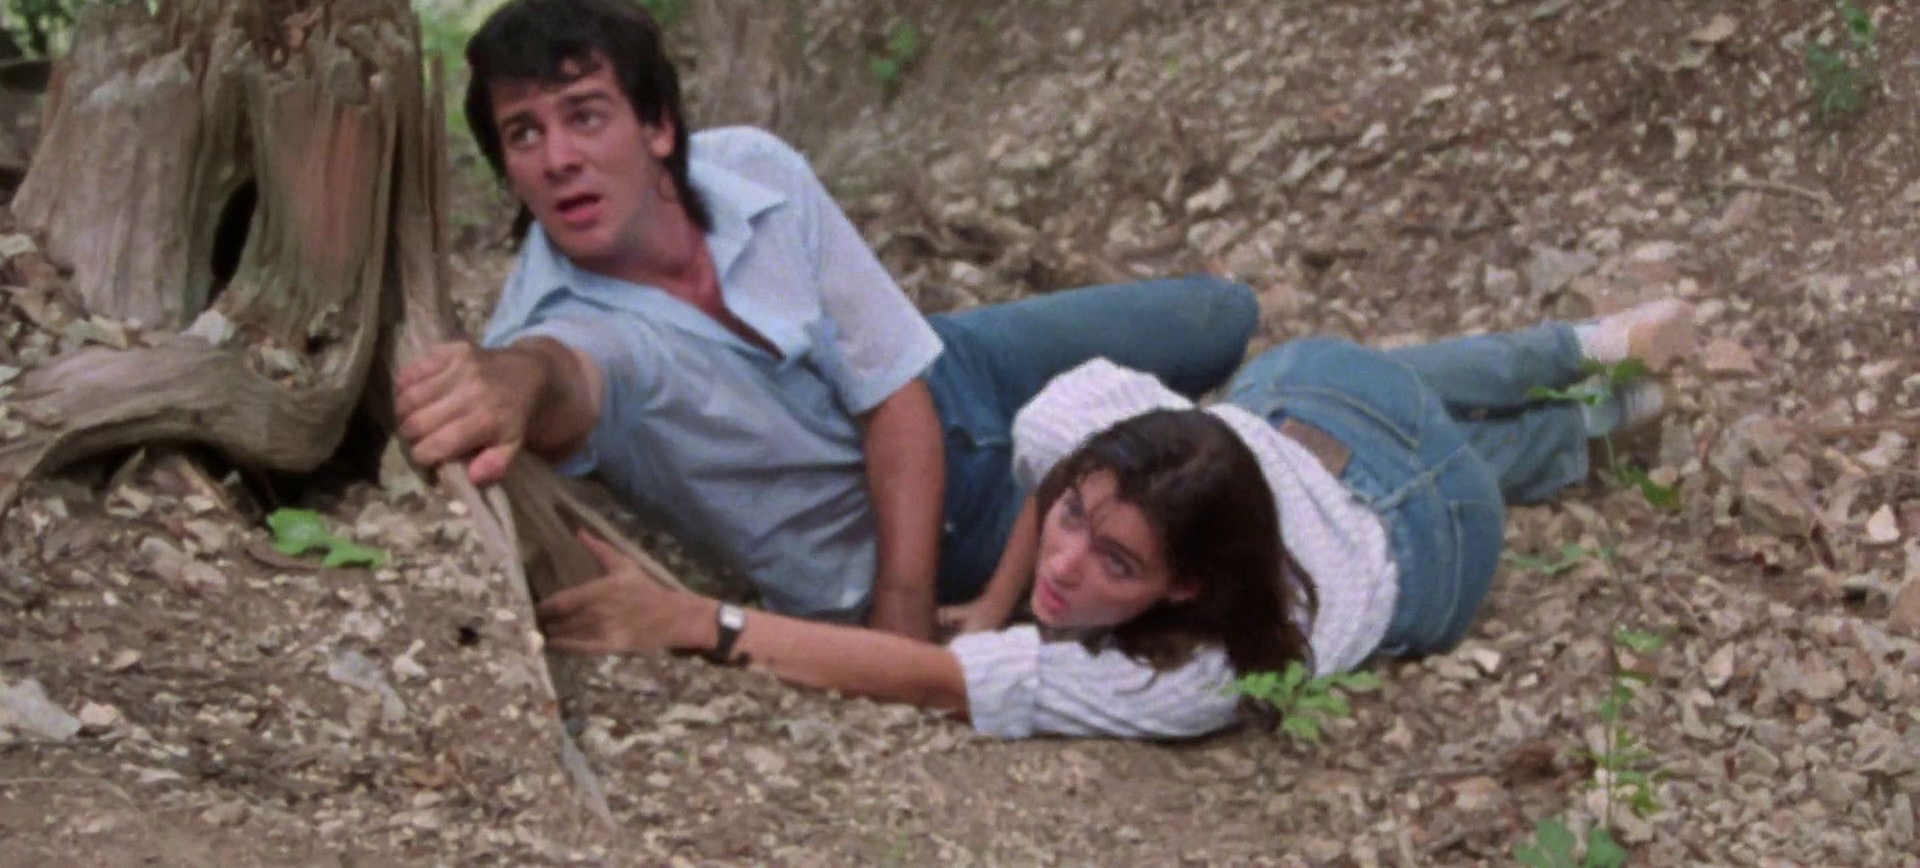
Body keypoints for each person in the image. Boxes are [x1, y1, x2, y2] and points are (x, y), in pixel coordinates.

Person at [391, 0, 1258, 642]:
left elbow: (894, 391)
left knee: (1220, 315)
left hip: (953, 369)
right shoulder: (554, 323)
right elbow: (561, 376)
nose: (558, 158)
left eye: (585, 117)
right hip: (951, 526)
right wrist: (509, 380)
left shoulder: (752, 169)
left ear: (656, 127)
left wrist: (902, 618)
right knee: (1234, 468)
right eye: (524, 134)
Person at [537, 299, 1696, 740]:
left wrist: (698, 623)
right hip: (1310, 410)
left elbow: (921, 680)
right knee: (1404, 387)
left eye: (1115, 561)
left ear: (1188, 585)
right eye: (1076, 521)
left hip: (1432, 540)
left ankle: (1585, 376)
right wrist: (997, 600)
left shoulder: (1184, 677)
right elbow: (1061, 465)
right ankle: (1588, 372)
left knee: (1458, 454)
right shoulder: (1102, 431)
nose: (1067, 564)